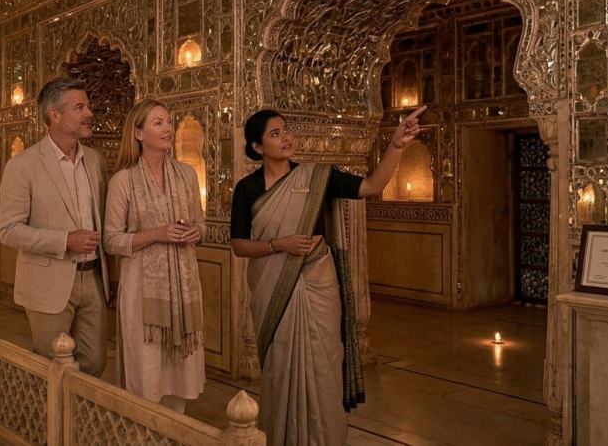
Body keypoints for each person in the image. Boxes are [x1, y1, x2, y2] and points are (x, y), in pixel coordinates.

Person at [230, 106, 426, 446]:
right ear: (257, 147)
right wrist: (281, 244)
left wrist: (396, 145)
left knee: (324, 363)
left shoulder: (318, 176)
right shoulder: (247, 189)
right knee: (280, 366)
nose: (286, 137)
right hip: (272, 285)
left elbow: (371, 186)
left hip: (319, 280)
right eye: (275, 134)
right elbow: (238, 245)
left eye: (286, 130)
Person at [0, 77, 109, 377]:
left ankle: (79, 421)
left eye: (89, 106)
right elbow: (8, 229)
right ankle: (51, 423)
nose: (89, 113)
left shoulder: (96, 161)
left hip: (93, 279)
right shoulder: (22, 165)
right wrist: (64, 240)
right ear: (54, 115)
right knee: (51, 366)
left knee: (95, 363)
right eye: (79, 107)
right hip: (48, 280)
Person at [103, 99, 206, 413]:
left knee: (181, 374)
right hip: (142, 295)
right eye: (158, 123)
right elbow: (110, 240)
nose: (169, 129)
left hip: (185, 290)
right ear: (138, 133)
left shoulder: (187, 174)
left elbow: (201, 221)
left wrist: (196, 232)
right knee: (146, 373)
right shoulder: (124, 181)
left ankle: (174, 428)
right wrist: (154, 235)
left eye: (169, 122)